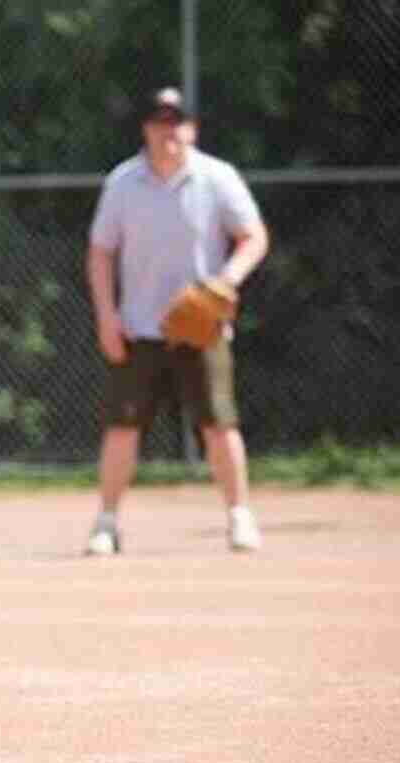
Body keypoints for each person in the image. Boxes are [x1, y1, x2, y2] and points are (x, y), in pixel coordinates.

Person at [84, 86, 270, 555]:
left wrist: (225, 281)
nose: (169, 129)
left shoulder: (216, 177)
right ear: (146, 128)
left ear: (192, 128)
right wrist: (107, 315)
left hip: (201, 327)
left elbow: (254, 237)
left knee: (220, 425)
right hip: (139, 326)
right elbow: (101, 251)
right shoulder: (123, 183)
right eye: (159, 120)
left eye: (177, 120)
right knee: (122, 427)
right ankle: (106, 523)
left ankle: (239, 518)